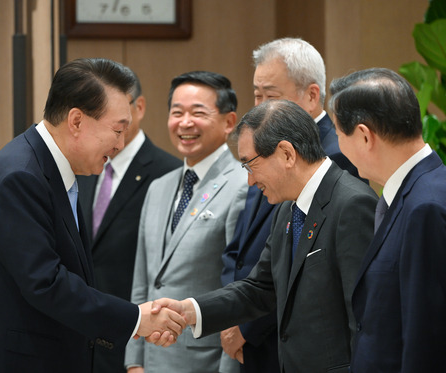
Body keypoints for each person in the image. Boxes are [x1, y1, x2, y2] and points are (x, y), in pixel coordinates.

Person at [0, 58, 186, 373]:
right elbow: (46, 283)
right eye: (117, 130)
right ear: (76, 121)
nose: (119, 144)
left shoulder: (49, 168)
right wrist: (136, 319)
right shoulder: (20, 176)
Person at [152, 99, 378, 373]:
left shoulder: (352, 204)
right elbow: (260, 288)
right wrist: (190, 310)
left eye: (250, 165)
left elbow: (367, 317)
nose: (249, 181)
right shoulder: (287, 208)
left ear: (286, 154)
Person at [220, 37, 360, 373]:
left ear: (312, 95)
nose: (260, 105)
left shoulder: (336, 157)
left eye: (271, 96)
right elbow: (240, 250)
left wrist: (247, 326)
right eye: (256, 95)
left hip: (286, 340)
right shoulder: (261, 144)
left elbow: (336, 291)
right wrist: (225, 314)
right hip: (257, 329)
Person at [125, 71, 248, 372]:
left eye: (198, 113)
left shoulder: (243, 185)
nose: (185, 123)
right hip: (150, 362)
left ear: (229, 122)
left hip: (204, 362)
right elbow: (143, 282)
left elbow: (239, 291)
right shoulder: (159, 187)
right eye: (176, 112)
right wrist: (134, 360)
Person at [329, 68, 446, 372]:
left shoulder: (426, 207)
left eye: (339, 133)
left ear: (365, 136)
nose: (337, 144)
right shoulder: (415, 190)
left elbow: (427, 338)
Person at [77, 68, 181, 372]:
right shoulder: (82, 165)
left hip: (131, 338)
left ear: (139, 107)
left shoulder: (167, 173)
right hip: (78, 337)